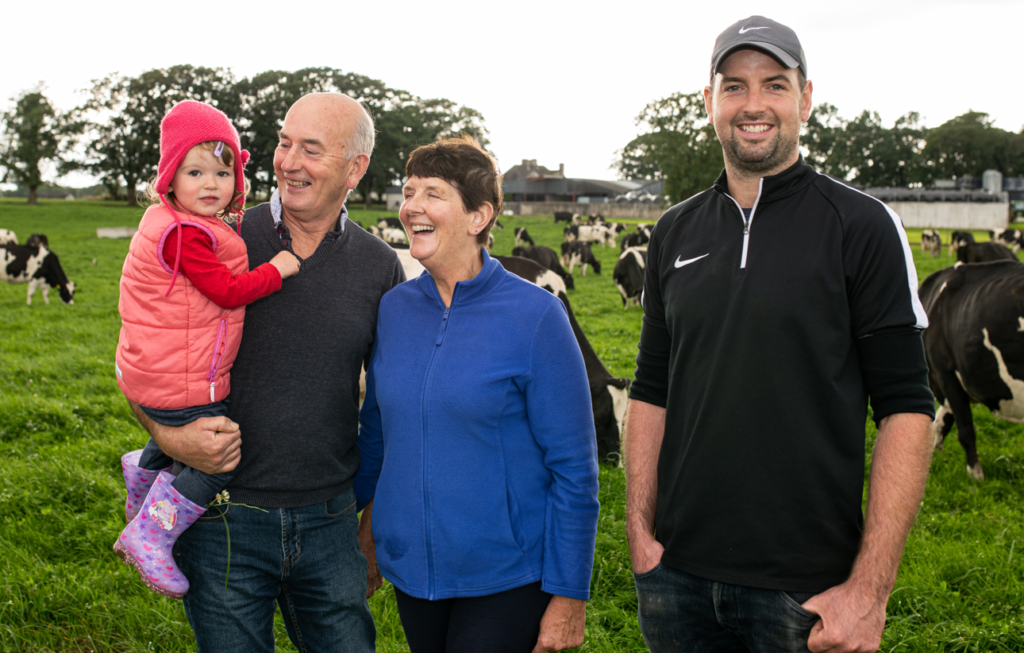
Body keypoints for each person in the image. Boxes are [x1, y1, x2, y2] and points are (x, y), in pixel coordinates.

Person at [624, 16, 936, 653]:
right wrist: (640, 533)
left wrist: (870, 589)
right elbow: (652, 389)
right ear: (709, 102)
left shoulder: (862, 225)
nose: (754, 104)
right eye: (734, 86)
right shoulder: (675, 231)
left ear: (806, 98)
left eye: (774, 84)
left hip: (807, 591)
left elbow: (908, 406)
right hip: (676, 581)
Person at [126, 92, 404, 652]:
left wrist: (370, 529)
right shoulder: (211, 237)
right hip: (222, 518)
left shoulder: (380, 266)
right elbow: (138, 358)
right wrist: (168, 435)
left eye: (312, 149)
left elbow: (389, 408)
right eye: (283, 143)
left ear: (356, 168)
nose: (289, 161)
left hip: (330, 519)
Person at [355, 137, 600, 653]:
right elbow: (378, 433)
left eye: (434, 193)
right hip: (413, 571)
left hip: (505, 574)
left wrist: (569, 593)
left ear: (478, 216)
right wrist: (364, 526)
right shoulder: (395, 309)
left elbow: (575, 468)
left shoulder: (535, 316)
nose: (412, 206)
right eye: (409, 190)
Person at [113, 100, 300, 599]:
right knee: (218, 457)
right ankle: (152, 533)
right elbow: (227, 290)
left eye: (223, 171)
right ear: (169, 177)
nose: (211, 184)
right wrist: (276, 269)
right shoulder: (184, 235)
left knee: (178, 433)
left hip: (152, 369)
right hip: (181, 379)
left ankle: (145, 472)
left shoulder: (178, 222)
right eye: (195, 171)